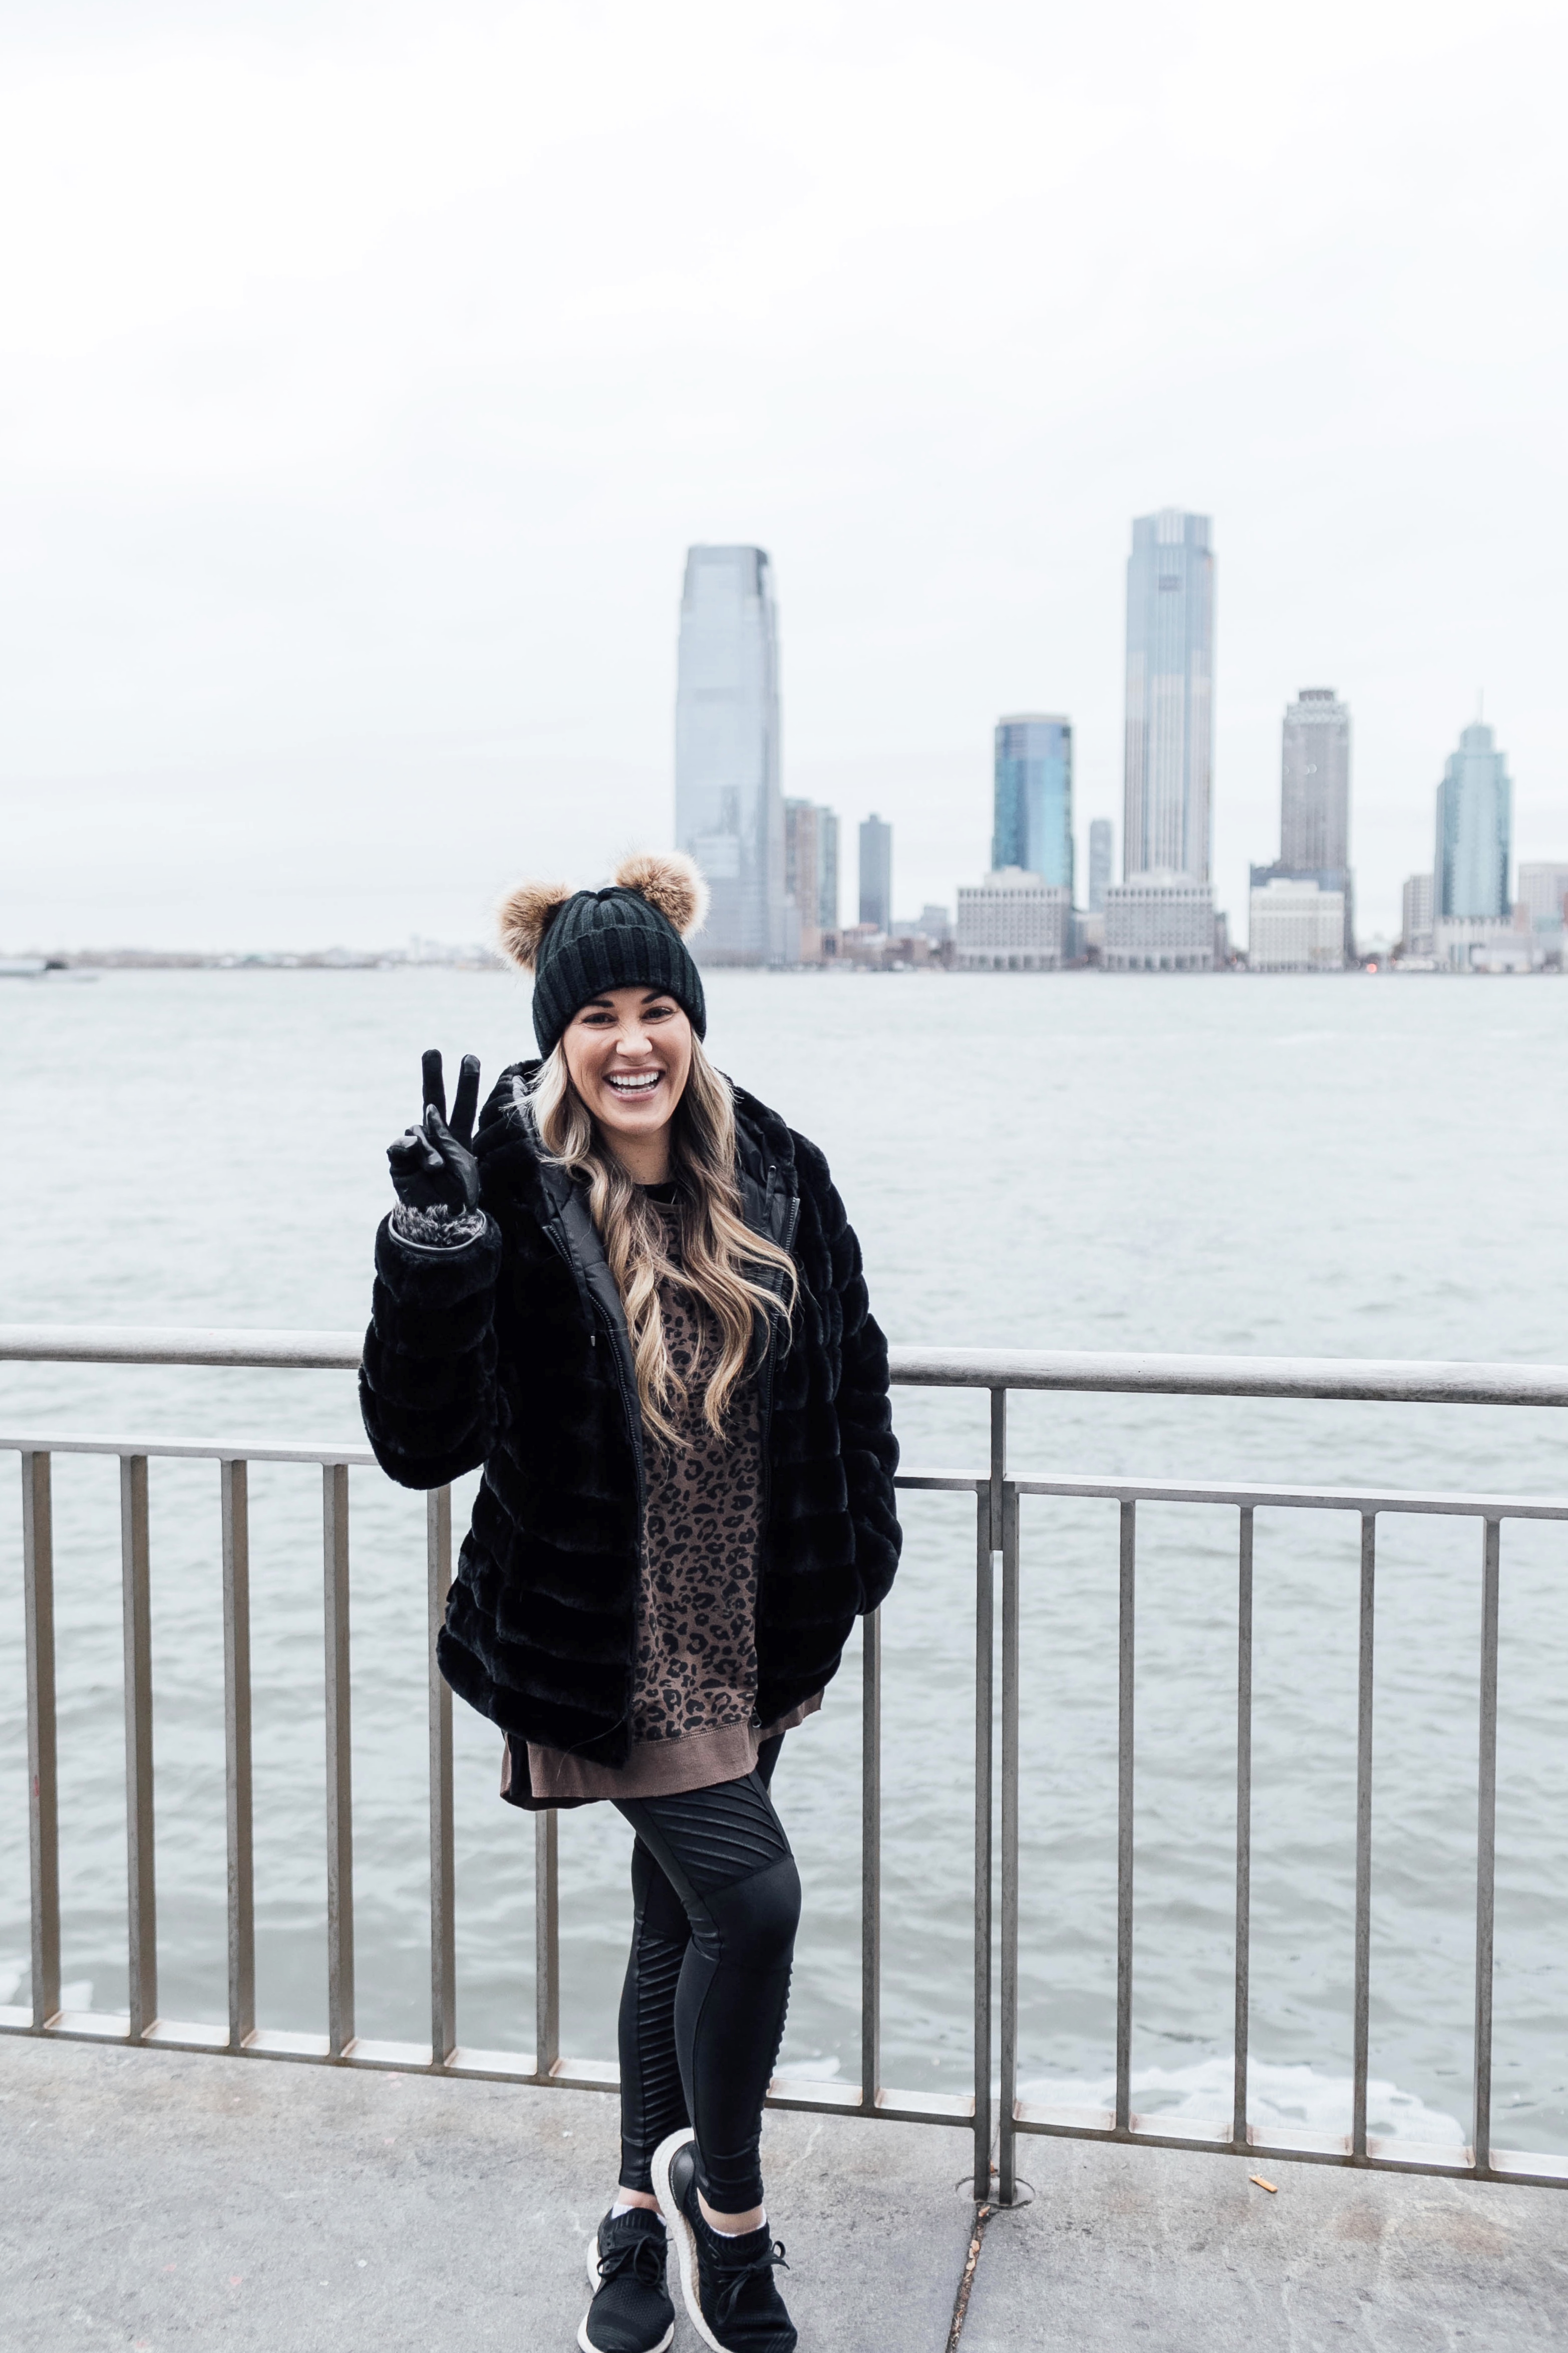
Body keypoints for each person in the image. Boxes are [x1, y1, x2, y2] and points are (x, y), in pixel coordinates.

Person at [360, 853, 901, 2353]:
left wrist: (853, 1554)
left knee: (679, 1932)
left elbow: (852, 1378)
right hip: (607, 1641)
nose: (632, 1040)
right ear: (556, 1039)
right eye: (594, 1013)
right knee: (755, 1897)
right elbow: (422, 1442)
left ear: (694, 1020)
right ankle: (725, 2212)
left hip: (758, 1630)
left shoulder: (780, 1166)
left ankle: (628, 2211)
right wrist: (437, 1249)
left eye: (657, 1004)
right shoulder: (516, 1198)